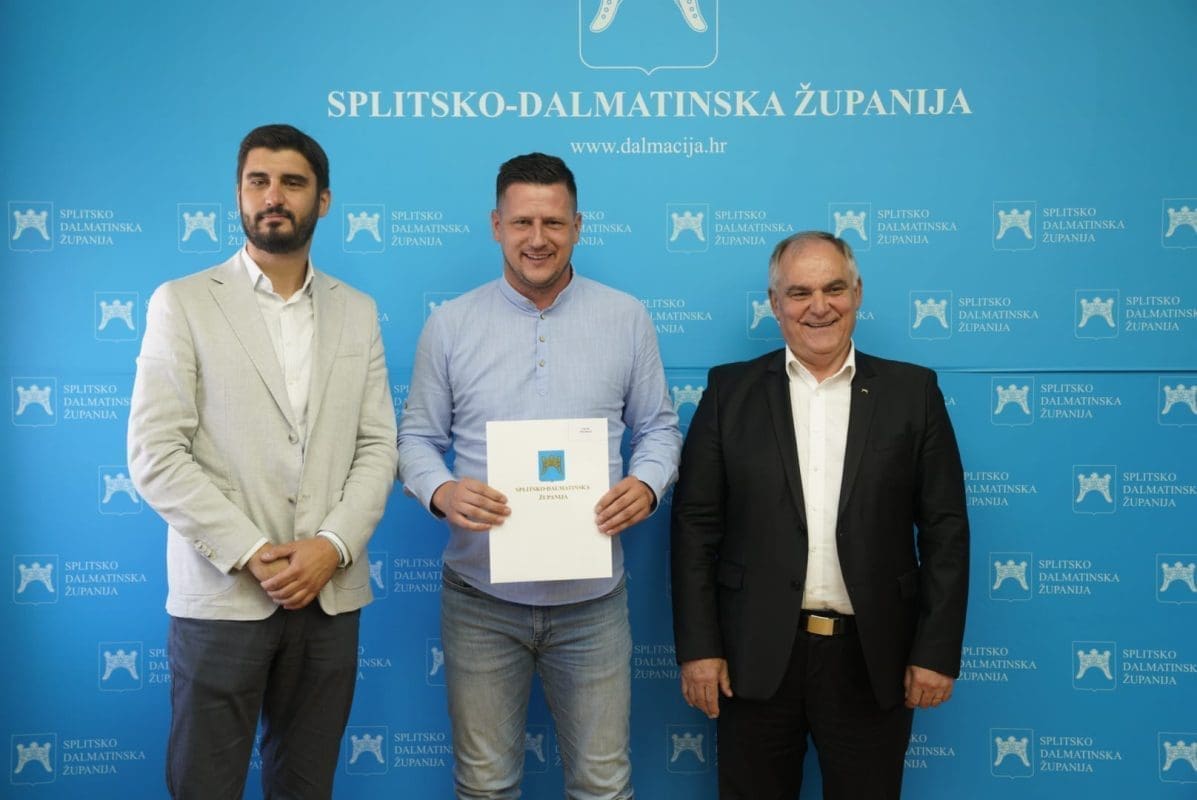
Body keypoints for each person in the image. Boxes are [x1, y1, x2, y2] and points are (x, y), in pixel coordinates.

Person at [398, 152, 681, 799]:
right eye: (522, 221)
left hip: (592, 604)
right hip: (479, 600)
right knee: (485, 787)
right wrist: (441, 491)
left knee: (603, 786)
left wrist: (646, 483)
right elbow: (415, 439)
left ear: (577, 226)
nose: (537, 238)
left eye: (553, 222)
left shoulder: (626, 317)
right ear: (496, 225)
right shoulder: (450, 325)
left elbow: (660, 430)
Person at [128, 123, 397, 799]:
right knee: (204, 785)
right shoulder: (182, 302)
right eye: (258, 181)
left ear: (323, 200)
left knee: (306, 786)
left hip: (329, 595)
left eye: (292, 183)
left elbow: (377, 445)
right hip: (223, 595)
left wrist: (331, 546)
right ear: (240, 194)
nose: (273, 196)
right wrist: (252, 552)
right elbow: (156, 452)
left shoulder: (358, 311)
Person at [670, 231, 969, 798]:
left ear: (857, 293)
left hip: (872, 658)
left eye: (834, 288)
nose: (819, 306)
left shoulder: (913, 392)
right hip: (753, 657)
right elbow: (694, 530)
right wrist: (700, 650)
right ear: (774, 302)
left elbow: (945, 531)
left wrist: (934, 653)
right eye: (799, 292)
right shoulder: (729, 391)